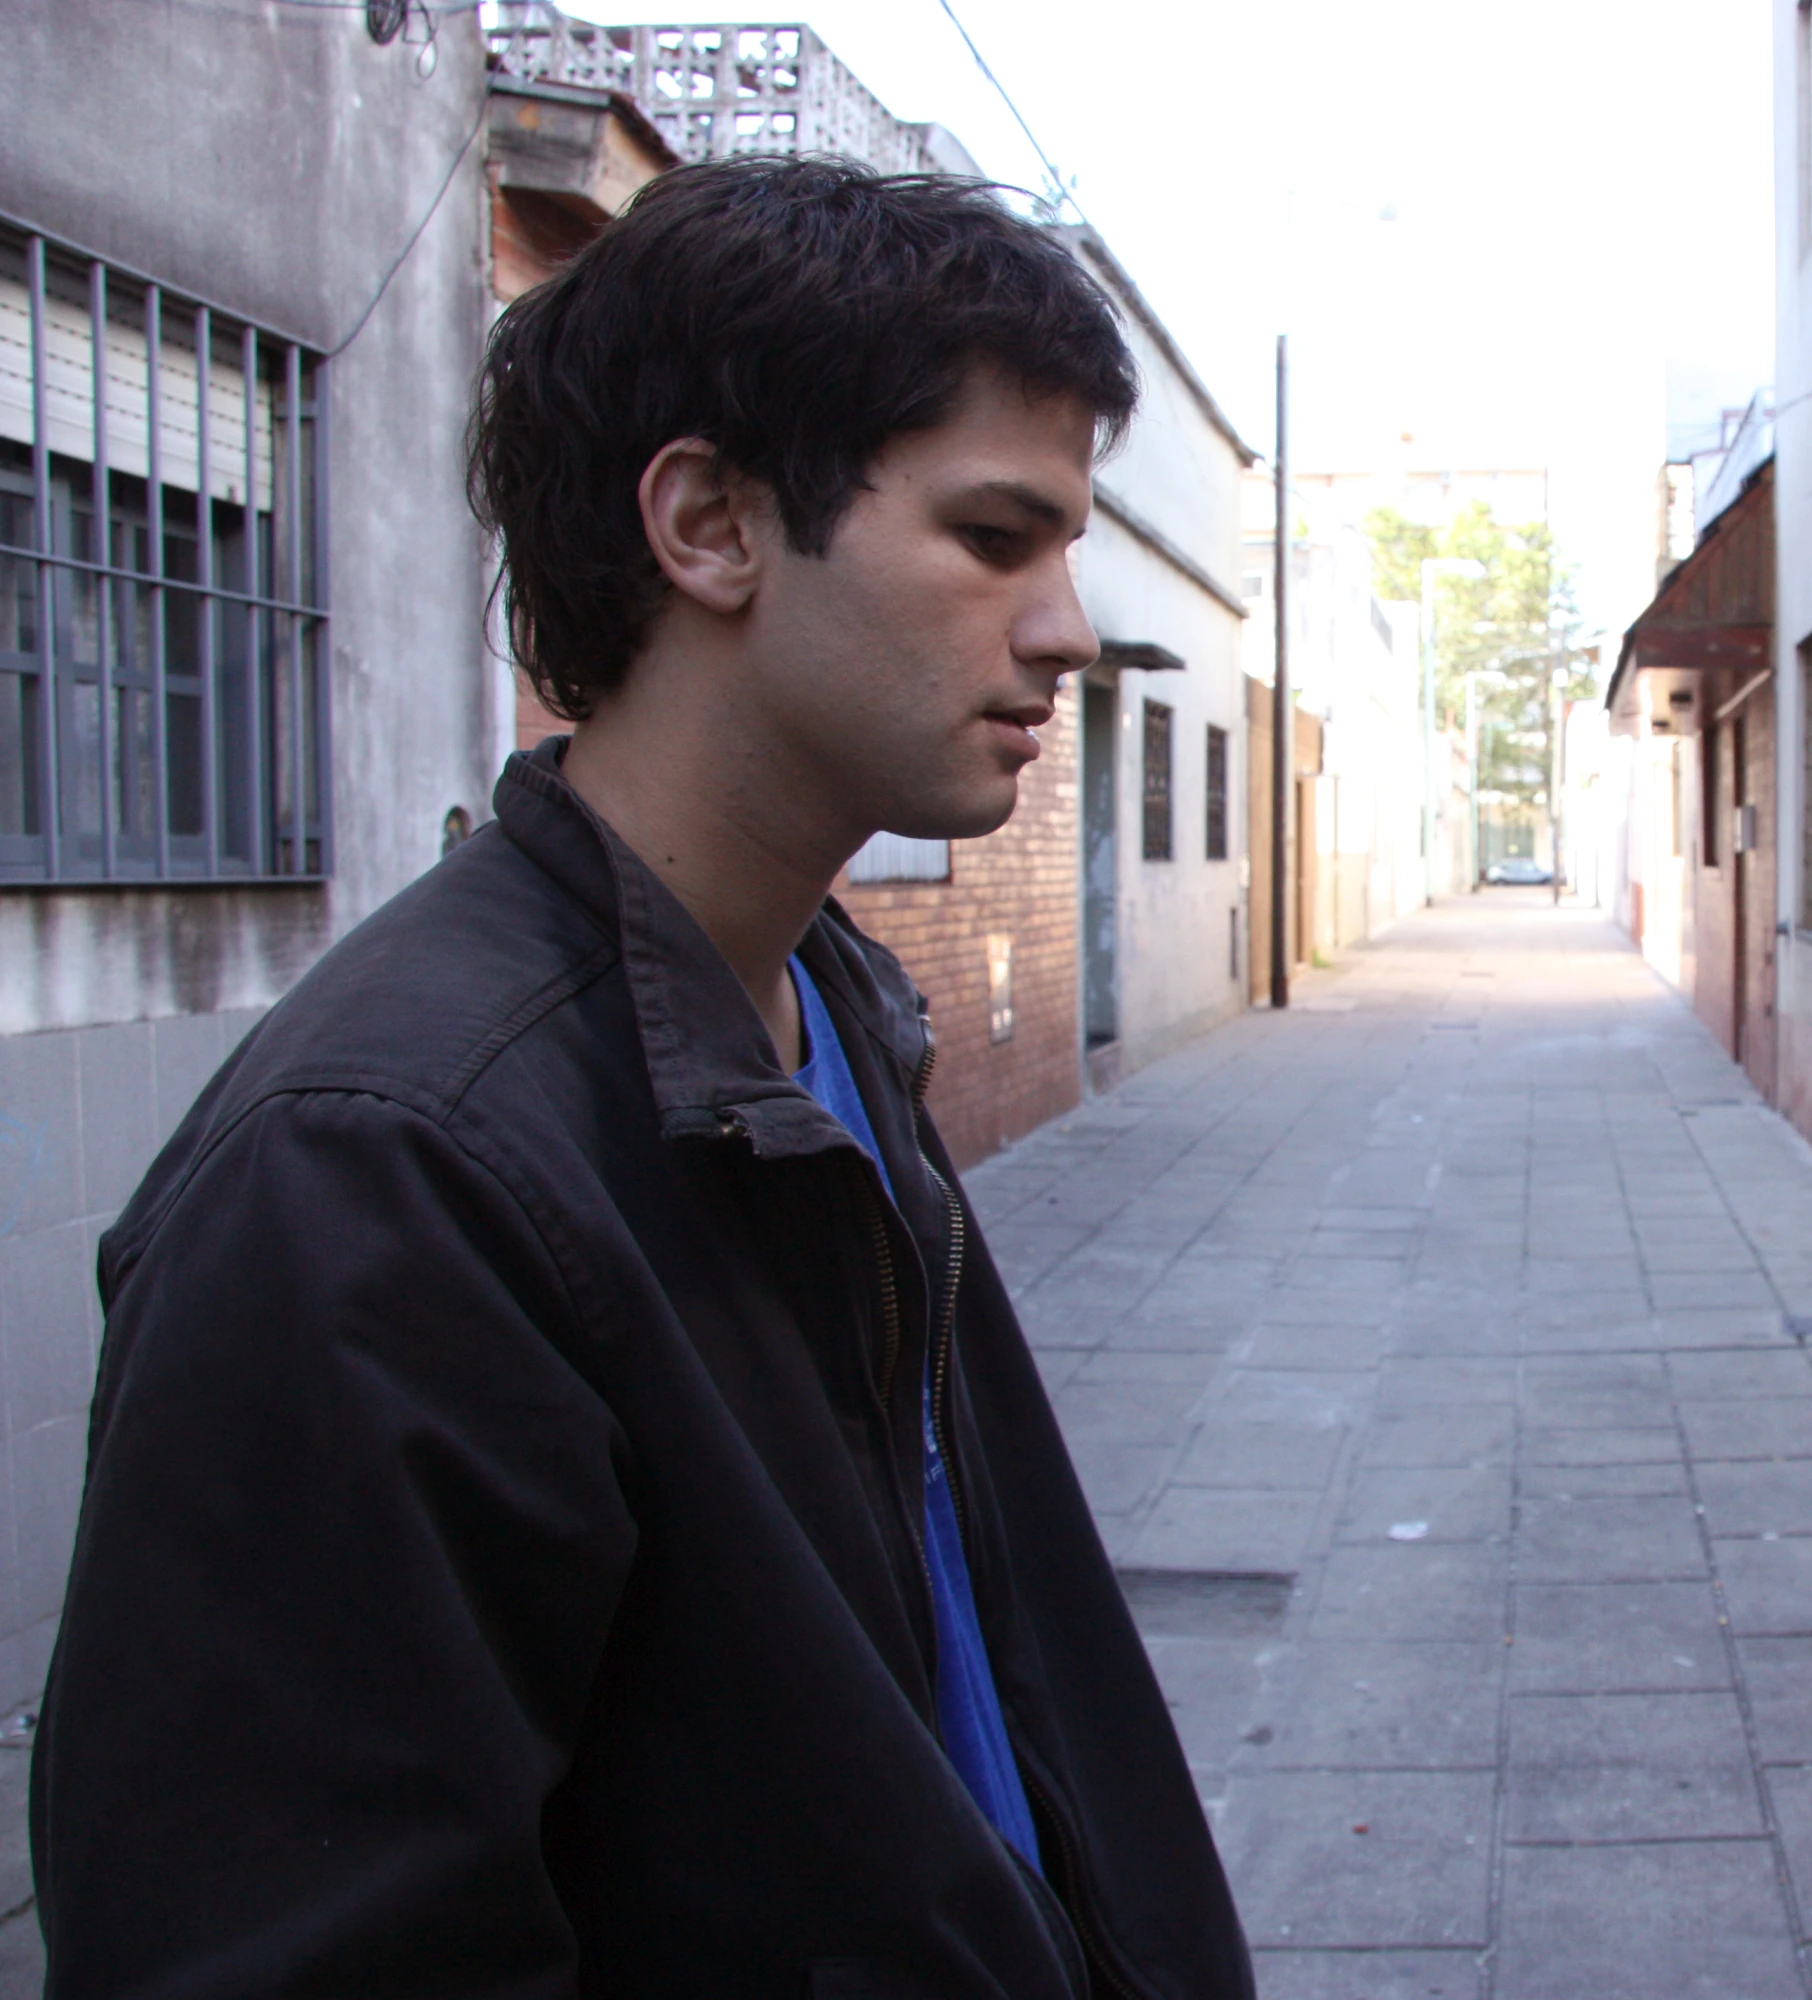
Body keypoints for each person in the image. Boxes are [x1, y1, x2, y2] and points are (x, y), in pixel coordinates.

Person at [34, 157, 1253, 1997]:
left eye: (1066, 548)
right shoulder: (378, 1174)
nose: (1066, 626)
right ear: (709, 524)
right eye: (996, 537)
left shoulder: (821, 1004)